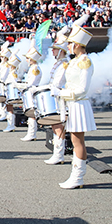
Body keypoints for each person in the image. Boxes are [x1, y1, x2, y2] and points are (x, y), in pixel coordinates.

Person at [52, 25, 97, 189]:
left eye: (70, 43)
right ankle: (76, 176)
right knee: (75, 139)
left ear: (77, 44)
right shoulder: (75, 61)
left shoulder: (85, 61)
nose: (68, 47)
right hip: (72, 103)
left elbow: (83, 89)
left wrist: (62, 93)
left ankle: (78, 177)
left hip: (78, 103)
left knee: (78, 141)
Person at [44, 30, 70, 165]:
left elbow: (58, 83)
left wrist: (47, 88)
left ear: (61, 51)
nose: (52, 51)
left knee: (58, 124)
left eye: (54, 49)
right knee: (55, 124)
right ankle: (57, 153)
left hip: (61, 98)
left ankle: (59, 154)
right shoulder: (59, 63)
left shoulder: (64, 64)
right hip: (56, 96)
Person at [15, 47, 42, 141]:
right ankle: (31, 133)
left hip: (32, 91)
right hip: (30, 91)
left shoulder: (35, 69)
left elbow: (31, 83)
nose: (26, 60)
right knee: (30, 114)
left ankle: (32, 134)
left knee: (32, 114)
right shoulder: (32, 68)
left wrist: (20, 86)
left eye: (27, 58)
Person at [3, 54, 22, 133]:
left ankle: (11, 125)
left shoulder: (13, 73)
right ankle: (10, 124)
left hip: (11, 92)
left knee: (9, 107)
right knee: (8, 107)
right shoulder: (12, 72)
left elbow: (14, 82)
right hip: (8, 91)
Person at [0, 44, 12, 121]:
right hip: (1, 83)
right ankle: (2, 112)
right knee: (1, 99)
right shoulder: (3, 64)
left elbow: (3, 77)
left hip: (5, 83)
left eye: (2, 57)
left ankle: (4, 114)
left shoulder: (7, 65)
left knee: (4, 100)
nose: (1, 58)